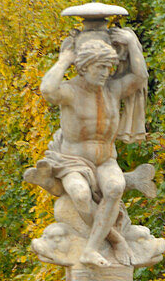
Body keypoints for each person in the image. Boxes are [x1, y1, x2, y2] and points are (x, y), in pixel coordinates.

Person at [33, 28, 148, 267]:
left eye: (109, 68)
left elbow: (140, 78)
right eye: (100, 68)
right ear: (84, 67)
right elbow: (47, 89)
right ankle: (116, 240)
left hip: (106, 160)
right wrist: (64, 60)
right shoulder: (71, 91)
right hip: (72, 162)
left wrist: (132, 43)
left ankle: (92, 249)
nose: (106, 73)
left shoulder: (112, 90)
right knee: (80, 194)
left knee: (116, 187)